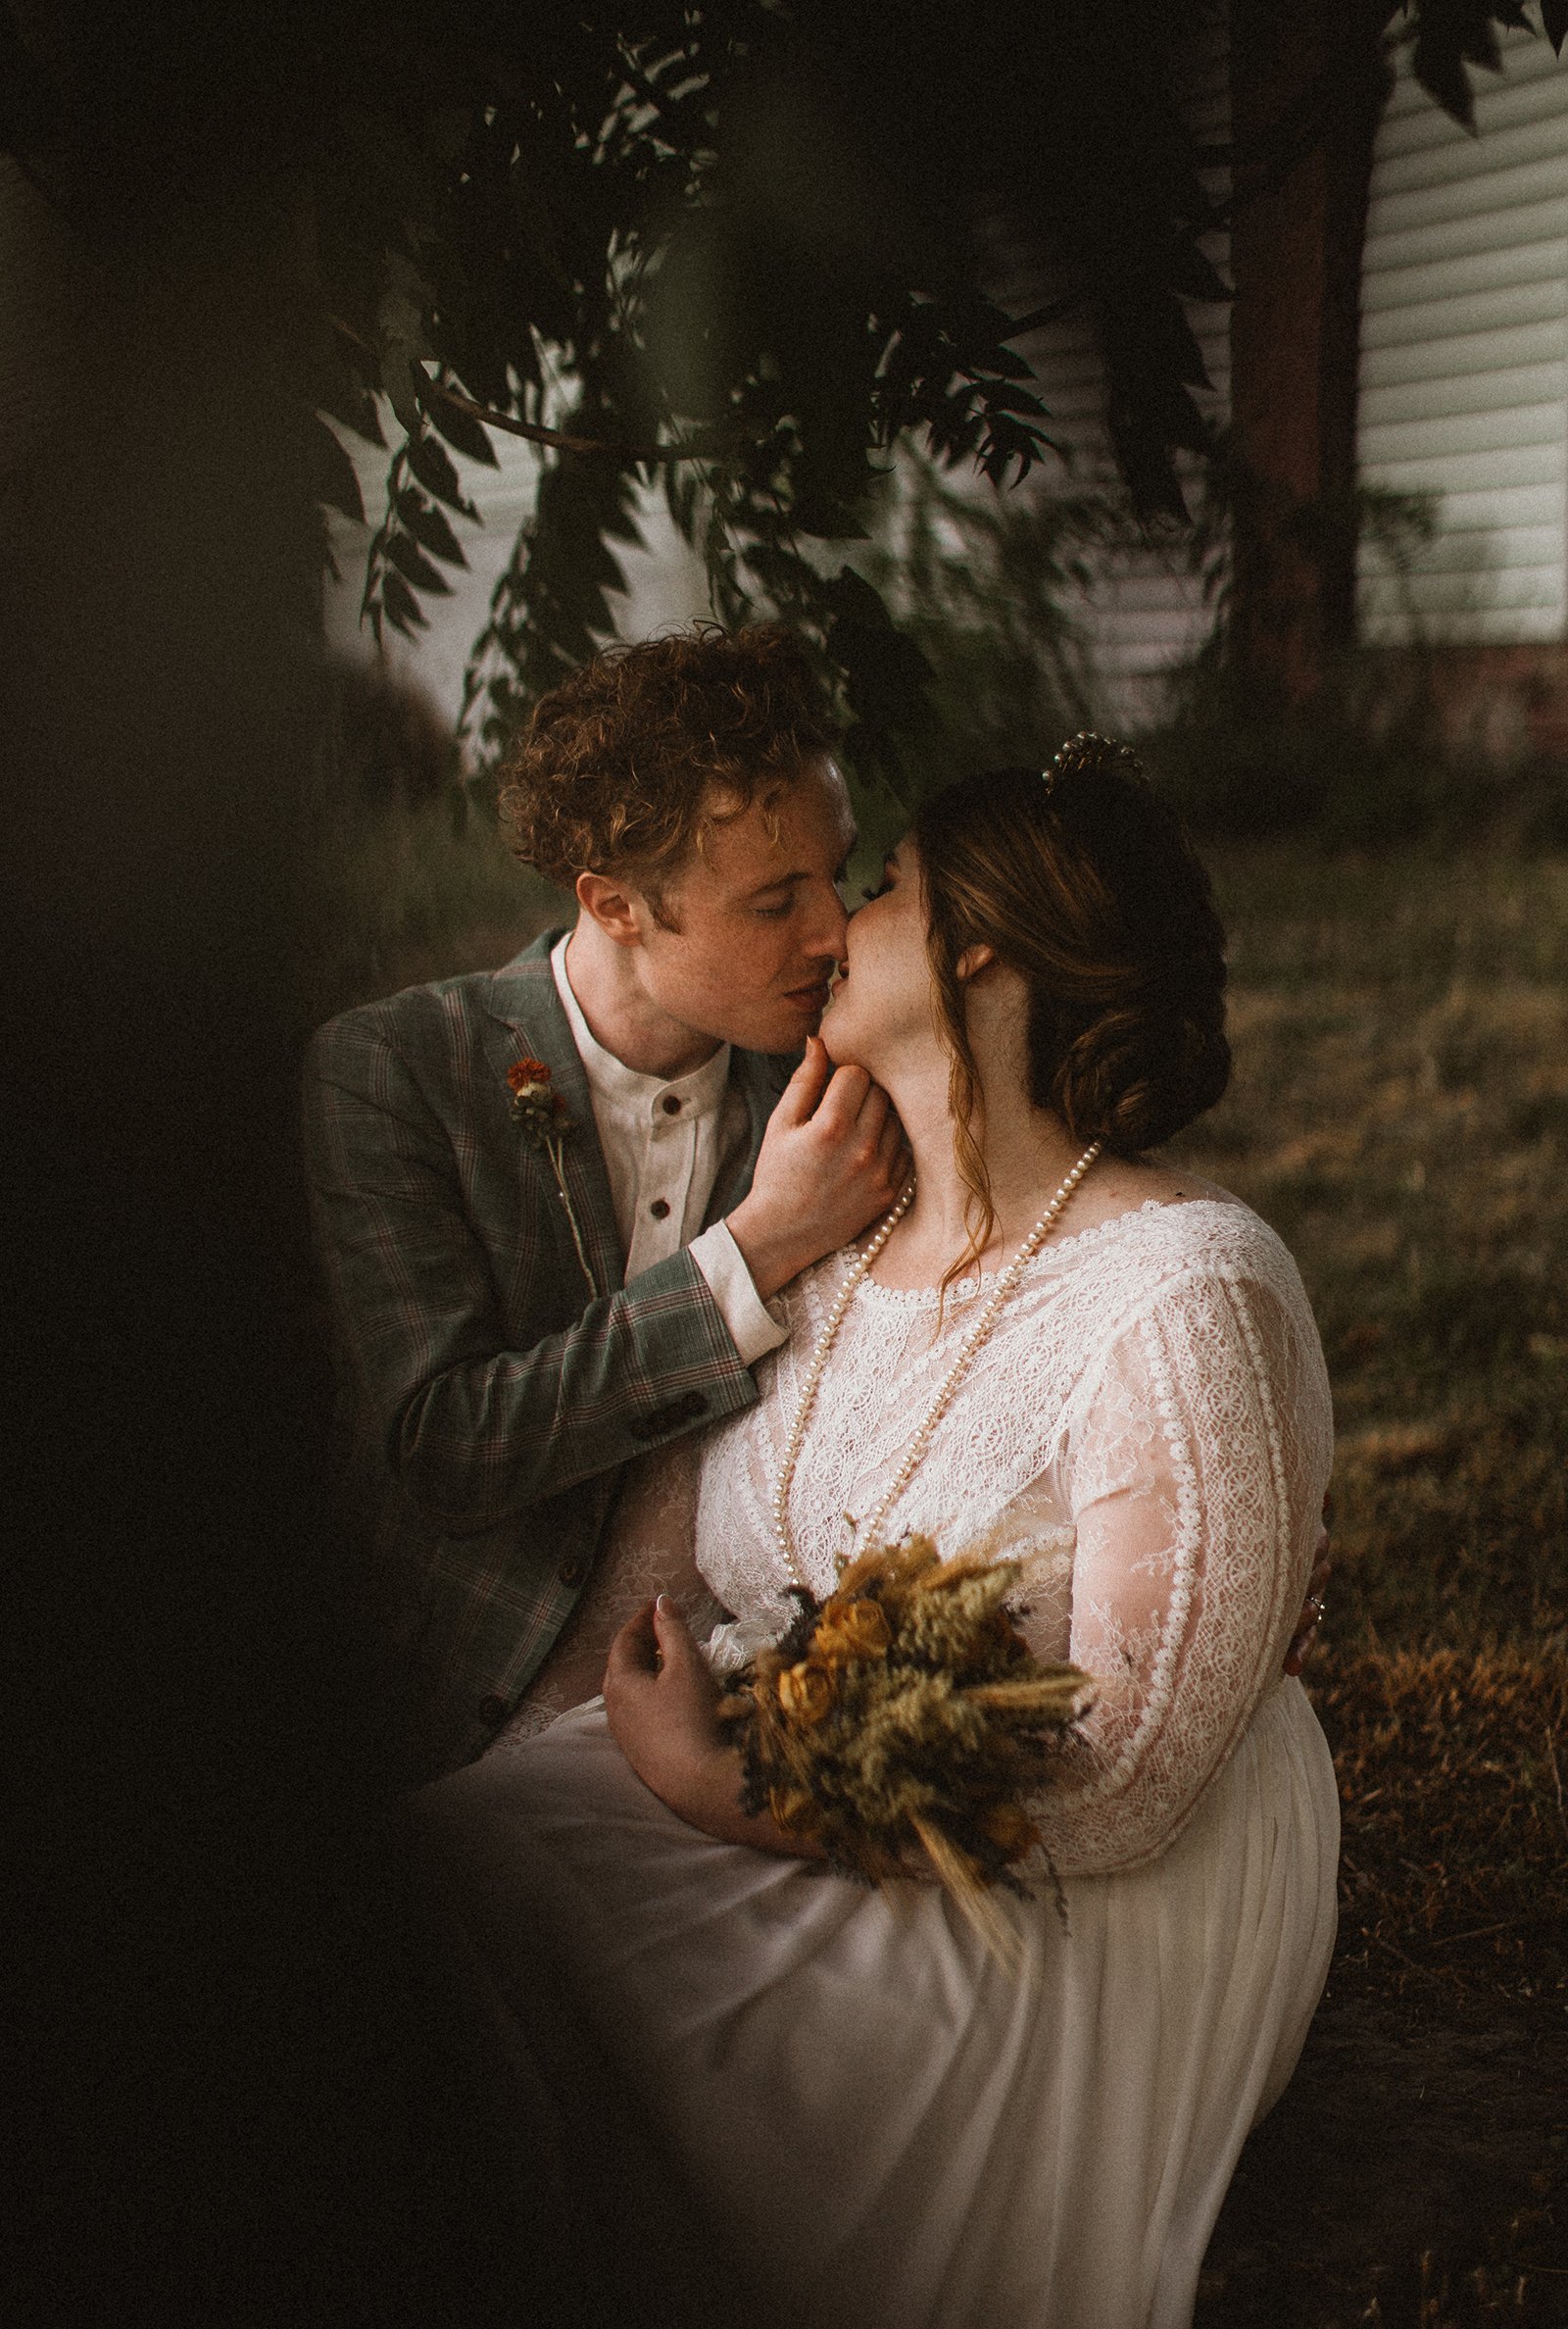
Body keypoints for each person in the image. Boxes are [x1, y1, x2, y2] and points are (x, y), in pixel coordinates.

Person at [414, 739, 1342, 2329]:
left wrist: (712, 1782)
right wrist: (538, 1754)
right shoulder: (836, 1243)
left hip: (1038, 1886)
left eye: (886, 882)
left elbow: (1120, 1792)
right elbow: (642, 1607)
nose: (842, 918)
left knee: (516, 1959)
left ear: (979, 945)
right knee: (426, 1880)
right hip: (750, 1773)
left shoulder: (1184, 1290)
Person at [303, 624, 907, 1780]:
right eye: (776, 899)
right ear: (617, 904)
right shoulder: (393, 1073)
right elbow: (446, 1448)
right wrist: (756, 1249)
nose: (835, 934)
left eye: (836, 874)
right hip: (442, 1700)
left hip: (743, 1698)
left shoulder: (840, 1086)